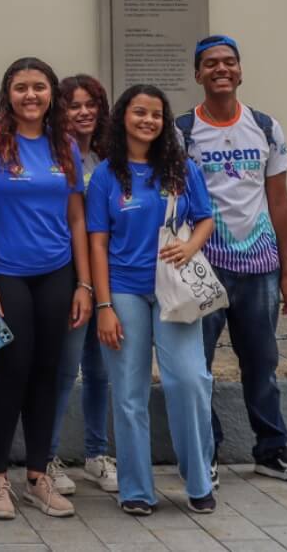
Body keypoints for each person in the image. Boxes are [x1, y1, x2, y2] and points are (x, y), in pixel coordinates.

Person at [180, 35, 287, 487]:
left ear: (240, 71)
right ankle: (207, 451)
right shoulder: (182, 132)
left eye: (229, 62)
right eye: (211, 63)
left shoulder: (264, 127)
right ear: (198, 74)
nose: (221, 69)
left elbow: (279, 200)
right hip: (204, 267)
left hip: (259, 267)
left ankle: (272, 449)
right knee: (195, 366)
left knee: (261, 362)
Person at [0, 57, 91, 521]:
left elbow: (76, 218)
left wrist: (84, 283)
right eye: (21, 87)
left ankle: (37, 476)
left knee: (48, 372)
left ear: (51, 93)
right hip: (4, 277)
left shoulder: (64, 145)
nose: (31, 96)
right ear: (8, 93)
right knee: (13, 371)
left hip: (57, 274)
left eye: (39, 87)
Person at [87, 84, 217, 517]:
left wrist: (191, 247)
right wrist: (103, 307)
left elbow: (205, 219)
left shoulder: (181, 170)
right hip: (124, 290)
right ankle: (137, 489)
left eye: (156, 115)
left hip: (174, 289)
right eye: (140, 112)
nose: (148, 120)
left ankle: (198, 480)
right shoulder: (106, 175)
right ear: (123, 116)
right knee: (128, 391)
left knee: (189, 380)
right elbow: (97, 245)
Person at [47, 74, 118, 496]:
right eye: (73, 105)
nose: (83, 112)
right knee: (64, 370)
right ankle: (49, 455)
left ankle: (95, 455)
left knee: (100, 370)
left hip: (112, 277)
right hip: (73, 279)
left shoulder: (113, 158)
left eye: (90, 103)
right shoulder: (56, 156)